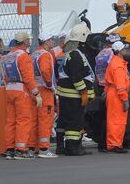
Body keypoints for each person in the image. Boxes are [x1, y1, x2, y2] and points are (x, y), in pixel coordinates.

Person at [56, 22, 95, 156]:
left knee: (64, 120)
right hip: (73, 96)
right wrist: (84, 92)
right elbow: (76, 77)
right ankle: (72, 148)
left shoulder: (71, 54)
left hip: (67, 95)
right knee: (74, 122)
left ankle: (62, 146)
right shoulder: (76, 55)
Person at [2, 31, 39, 160]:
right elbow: (28, 77)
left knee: (10, 120)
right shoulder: (24, 56)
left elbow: (6, 76)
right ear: (25, 41)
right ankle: (21, 150)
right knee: (23, 120)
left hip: (9, 89)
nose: (30, 41)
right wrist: (36, 93)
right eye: (28, 39)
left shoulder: (9, 55)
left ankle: (10, 149)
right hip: (21, 90)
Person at [30, 32, 58, 158]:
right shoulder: (45, 54)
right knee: (45, 120)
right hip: (45, 91)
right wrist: (49, 85)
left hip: (35, 89)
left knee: (35, 120)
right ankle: (44, 149)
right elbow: (46, 72)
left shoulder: (35, 53)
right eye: (51, 39)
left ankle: (33, 147)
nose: (53, 41)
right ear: (46, 41)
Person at [105, 41, 130, 153]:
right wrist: (124, 99)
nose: (126, 50)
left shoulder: (115, 62)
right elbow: (120, 86)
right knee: (117, 120)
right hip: (117, 95)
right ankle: (115, 144)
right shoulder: (119, 65)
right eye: (124, 49)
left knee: (114, 120)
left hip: (113, 93)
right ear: (120, 51)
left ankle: (114, 143)